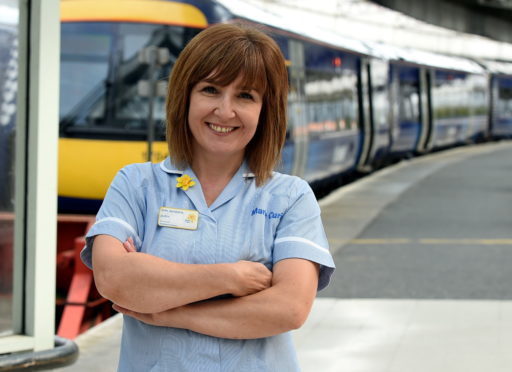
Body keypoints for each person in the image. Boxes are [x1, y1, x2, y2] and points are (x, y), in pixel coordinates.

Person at [81, 23, 335, 371]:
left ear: (266, 110)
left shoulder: (290, 197)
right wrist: (232, 278)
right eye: (210, 90)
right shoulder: (136, 184)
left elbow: (288, 308)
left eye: (245, 96)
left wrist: (172, 312)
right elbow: (113, 279)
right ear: (185, 96)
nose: (225, 111)